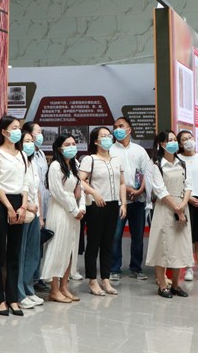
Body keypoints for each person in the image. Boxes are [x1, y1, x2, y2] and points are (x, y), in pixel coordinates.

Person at [0, 116, 29, 316]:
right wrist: (9, 207)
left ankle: (13, 297)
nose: (18, 131)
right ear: (4, 131)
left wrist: (24, 205)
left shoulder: (22, 154)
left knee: (15, 253)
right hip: (2, 203)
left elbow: (26, 182)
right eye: (14, 128)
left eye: (19, 128)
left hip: (19, 202)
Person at [79, 127, 126, 296]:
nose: (107, 138)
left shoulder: (116, 159)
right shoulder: (90, 159)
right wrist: (94, 192)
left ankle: (105, 278)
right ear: (96, 141)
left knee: (109, 243)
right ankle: (92, 280)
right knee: (94, 243)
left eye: (109, 135)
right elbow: (80, 181)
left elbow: (122, 183)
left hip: (113, 205)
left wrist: (123, 203)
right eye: (103, 136)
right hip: (96, 205)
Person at [145, 131, 192, 298]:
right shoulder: (156, 165)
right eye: (169, 140)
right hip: (165, 208)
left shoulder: (182, 163)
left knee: (179, 247)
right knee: (163, 247)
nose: (173, 143)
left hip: (182, 205)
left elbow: (188, 186)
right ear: (162, 144)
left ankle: (176, 285)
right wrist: (177, 209)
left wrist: (183, 205)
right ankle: (163, 285)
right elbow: (160, 191)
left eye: (174, 140)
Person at [40, 134, 86, 303]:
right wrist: (74, 209)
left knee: (70, 250)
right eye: (68, 144)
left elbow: (81, 189)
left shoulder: (75, 164)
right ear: (59, 148)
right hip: (60, 211)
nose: (72, 147)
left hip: (74, 213)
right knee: (58, 249)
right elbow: (58, 192)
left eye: (74, 144)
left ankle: (64, 286)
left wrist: (81, 208)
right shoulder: (55, 166)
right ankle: (54, 289)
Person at [108, 117, 152, 281]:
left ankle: (136, 267)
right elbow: (110, 175)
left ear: (129, 129)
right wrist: (126, 190)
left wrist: (139, 190)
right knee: (115, 235)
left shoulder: (139, 150)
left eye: (121, 126)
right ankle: (114, 268)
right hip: (118, 200)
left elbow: (147, 172)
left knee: (138, 236)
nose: (117, 129)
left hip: (138, 200)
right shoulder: (110, 150)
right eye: (115, 127)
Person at [17, 131, 46, 308]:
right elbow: (17, 188)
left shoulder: (32, 162)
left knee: (32, 254)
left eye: (31, 141)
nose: (30, 144)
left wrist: (40, 215)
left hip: (35, 213)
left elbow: (37, 191)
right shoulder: (18, 161)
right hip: (23, 212)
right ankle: (19, 293)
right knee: (20, 254)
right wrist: (27, 205)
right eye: (26, 141)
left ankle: (28, 289)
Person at [178, 129, 198, 282]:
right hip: (185, 200)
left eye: (190, 138)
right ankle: (189, 268)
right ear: (180, 144)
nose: (188, 141)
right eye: (184, 139)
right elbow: (179, 182)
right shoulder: (178, 159)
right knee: (186, 237)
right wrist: (189, 198)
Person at [22, 122, 50, 293]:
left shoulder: (40, 154)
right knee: (28, 246)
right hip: (28, 206)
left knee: (38, 244)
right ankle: (29, 281)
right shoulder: (23, 157)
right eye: (37, 132)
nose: (40, 136)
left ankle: (36, 277)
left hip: (41, 204)